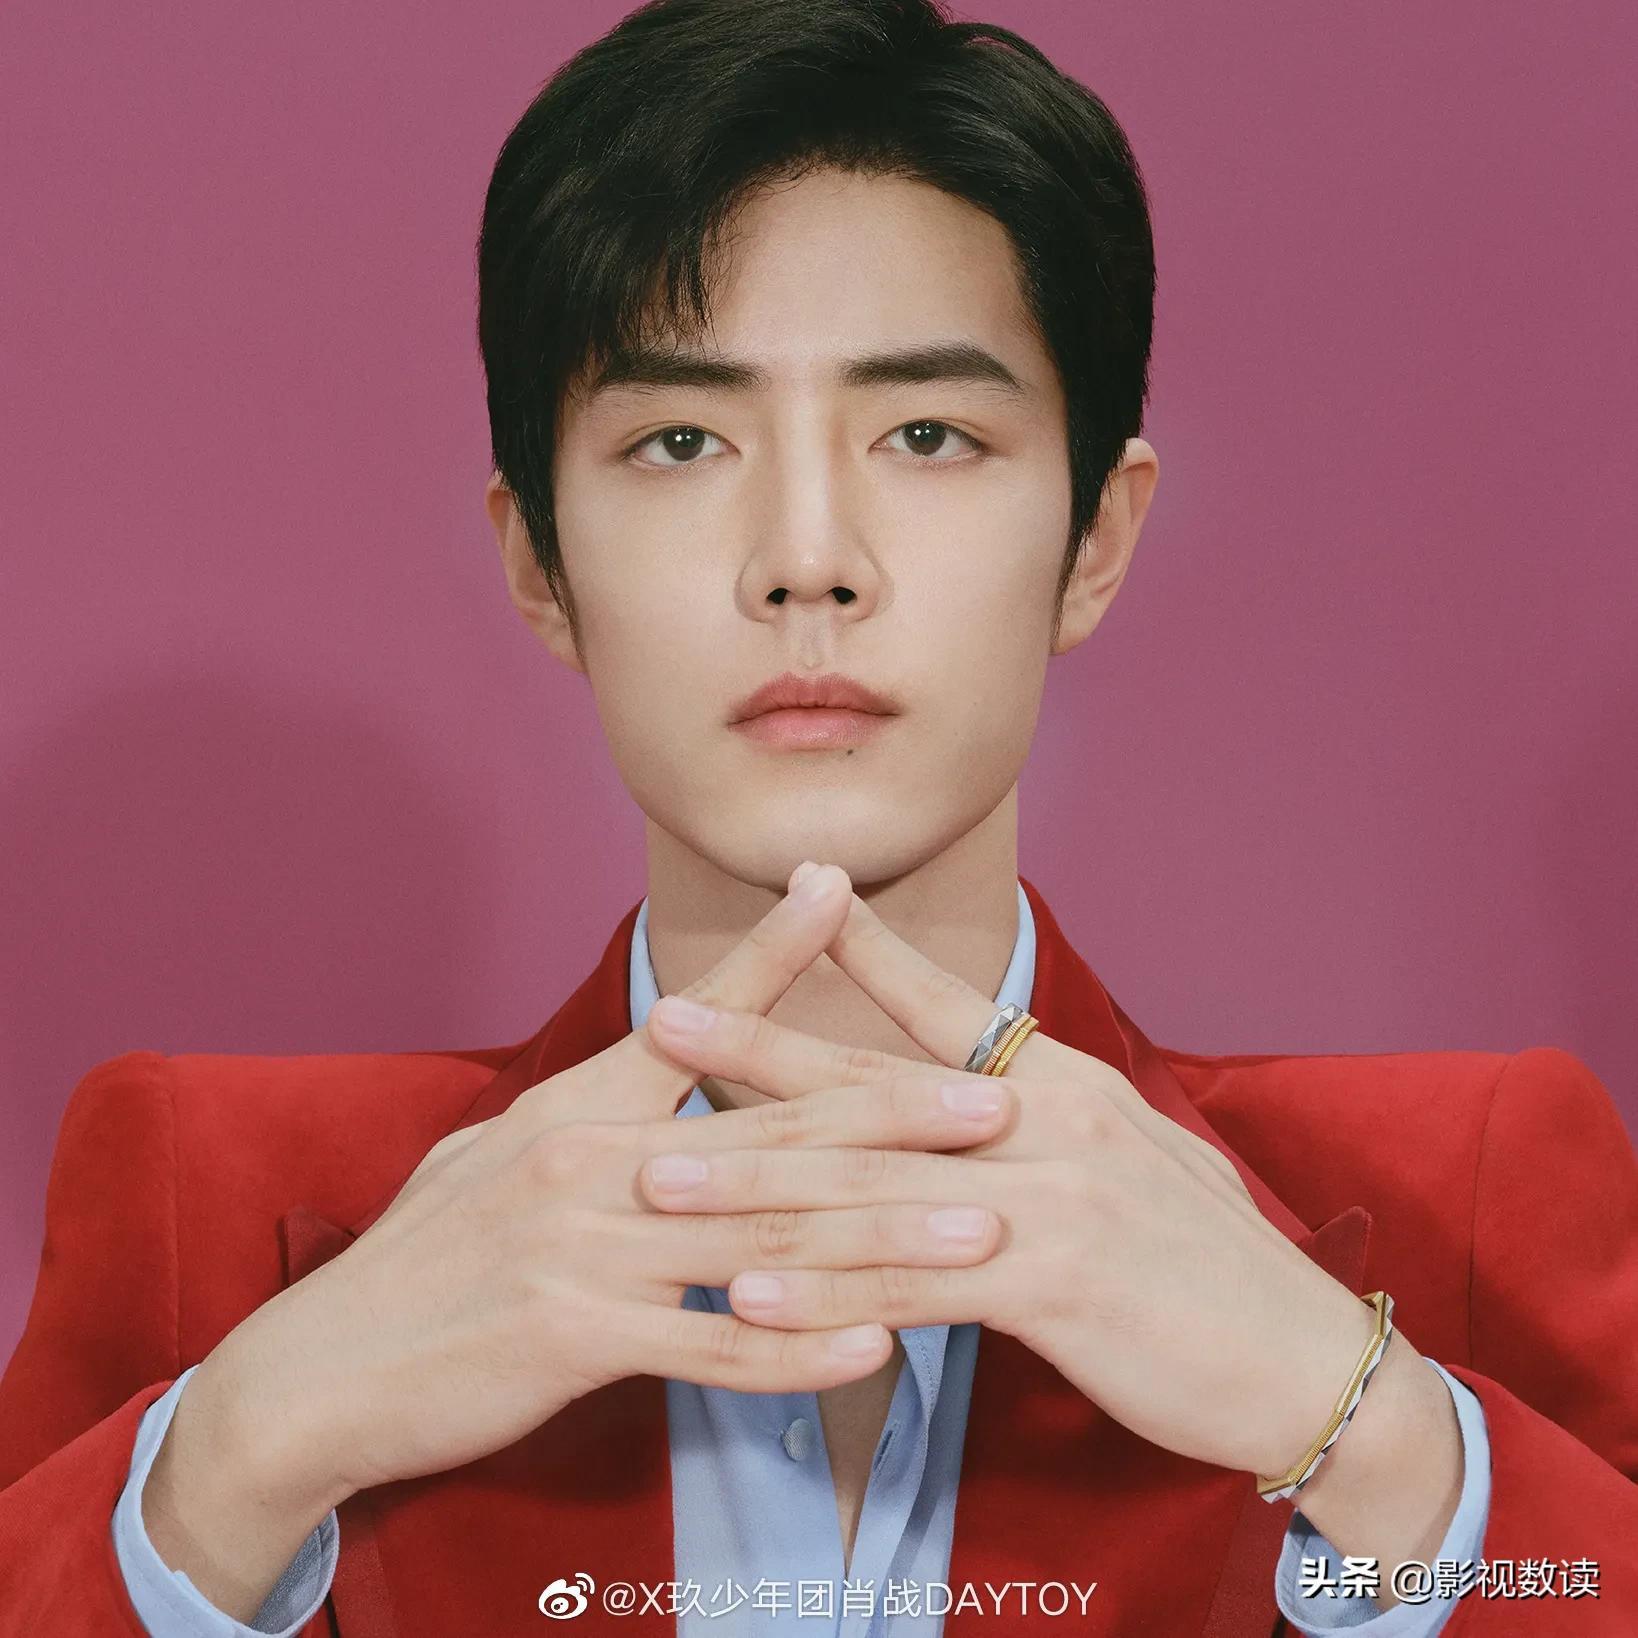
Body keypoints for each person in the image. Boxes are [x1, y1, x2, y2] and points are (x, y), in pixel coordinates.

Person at [2, 0, 1634, 1633]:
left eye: (926, 433)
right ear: (536, 560)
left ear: (1095, 535)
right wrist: (243, 1449)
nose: (804, 557)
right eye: (679, 439)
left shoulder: (1463, 1188)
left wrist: (1377, 1437)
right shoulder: (201, 1192)